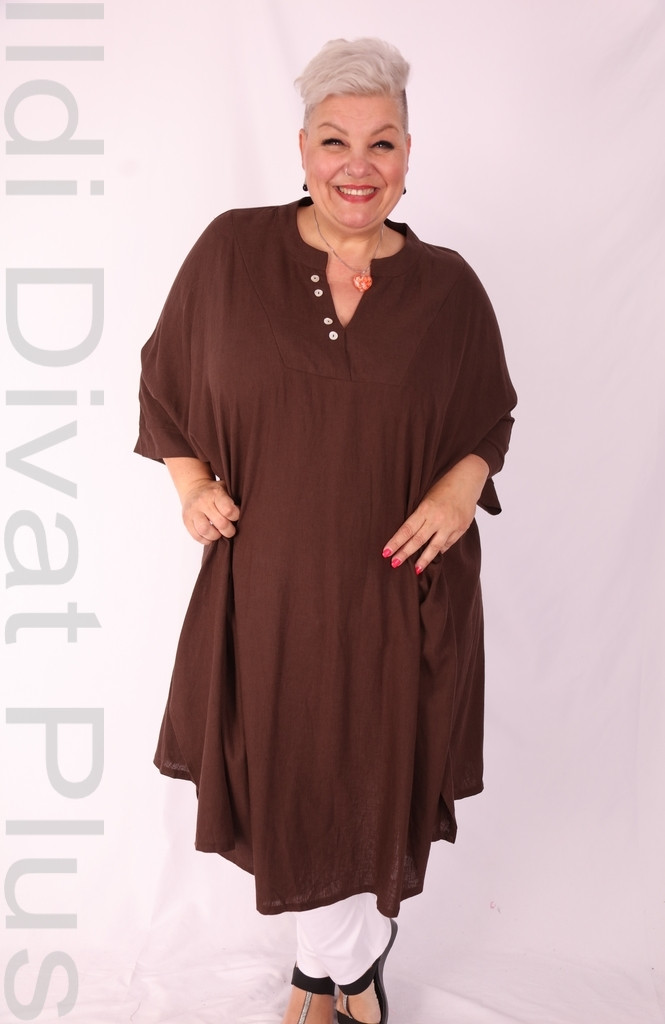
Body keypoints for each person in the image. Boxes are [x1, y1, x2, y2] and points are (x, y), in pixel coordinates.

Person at [135, 37, 516, 1024]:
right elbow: (164, 379)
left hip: (399, 589)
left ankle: (327, 974)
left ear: (407, 154)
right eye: (335, 140)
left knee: (369, 777)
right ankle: (349, 966)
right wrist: (190, 482)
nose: (358, 165)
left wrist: (460, 486)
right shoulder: (231, 252)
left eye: (381, 142)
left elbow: (488, 416)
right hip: (268, 585)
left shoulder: (447, 289)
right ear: (302, 148)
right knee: (293, 779)